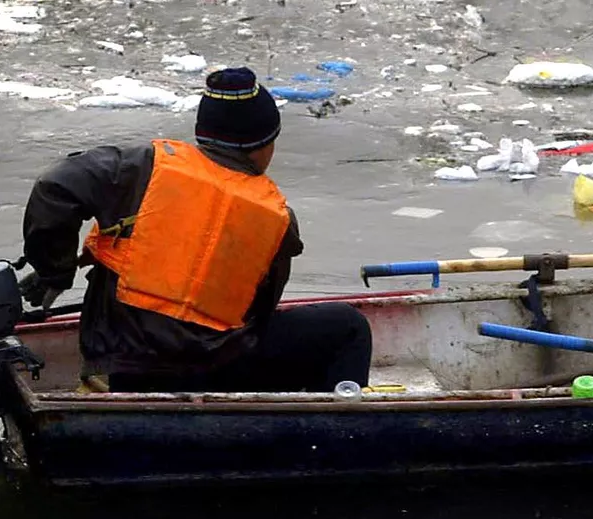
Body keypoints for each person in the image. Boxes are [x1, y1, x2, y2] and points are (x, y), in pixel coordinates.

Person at [19, 67, 370, 392]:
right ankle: (332, 427)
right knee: (349, 328)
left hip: (124, 370)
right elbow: (260, 312)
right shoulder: (277, 218)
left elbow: (55, 186)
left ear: (203, 133)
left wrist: (55, 271)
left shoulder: (140, 167)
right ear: (265, 145)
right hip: (217, 369)